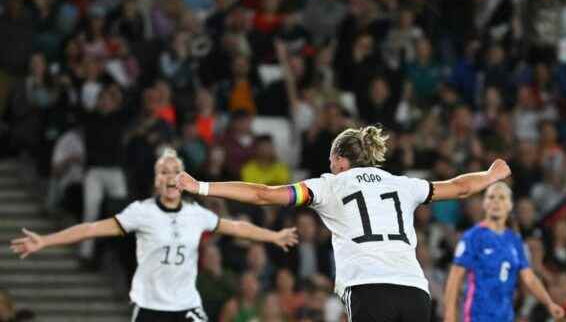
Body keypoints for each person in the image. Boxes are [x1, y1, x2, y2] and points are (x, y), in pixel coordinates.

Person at [176, 125, 512, 322]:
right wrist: (491, 174)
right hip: (414, 291)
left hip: (368, 288)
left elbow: (265, 195)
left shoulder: (329, 185)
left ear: (339, 160)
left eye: (331, 160)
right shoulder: (402, 183)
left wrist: (202, 186)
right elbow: (460, 187)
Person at [11, 149, 298, 322]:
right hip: (150, 308)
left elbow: (236, 227)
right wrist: (45, 240)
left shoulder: (195, 213)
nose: (171, 176)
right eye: (164, 172)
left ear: (184, 179)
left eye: (176, 171)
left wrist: (272, 236)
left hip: (186, 306)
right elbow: (91, 229)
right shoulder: (141, 212)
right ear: (156, 180)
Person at [443, 182, 565, 322]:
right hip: (478, 315)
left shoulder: (514, 240)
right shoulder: (473, 237)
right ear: (485, 204)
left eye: (501, 197)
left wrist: (549, 303)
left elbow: (529, 278)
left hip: (505, 316)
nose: (496, 201)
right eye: (491, 197)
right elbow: (454, 278)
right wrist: (449, 316)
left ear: (509, 205)